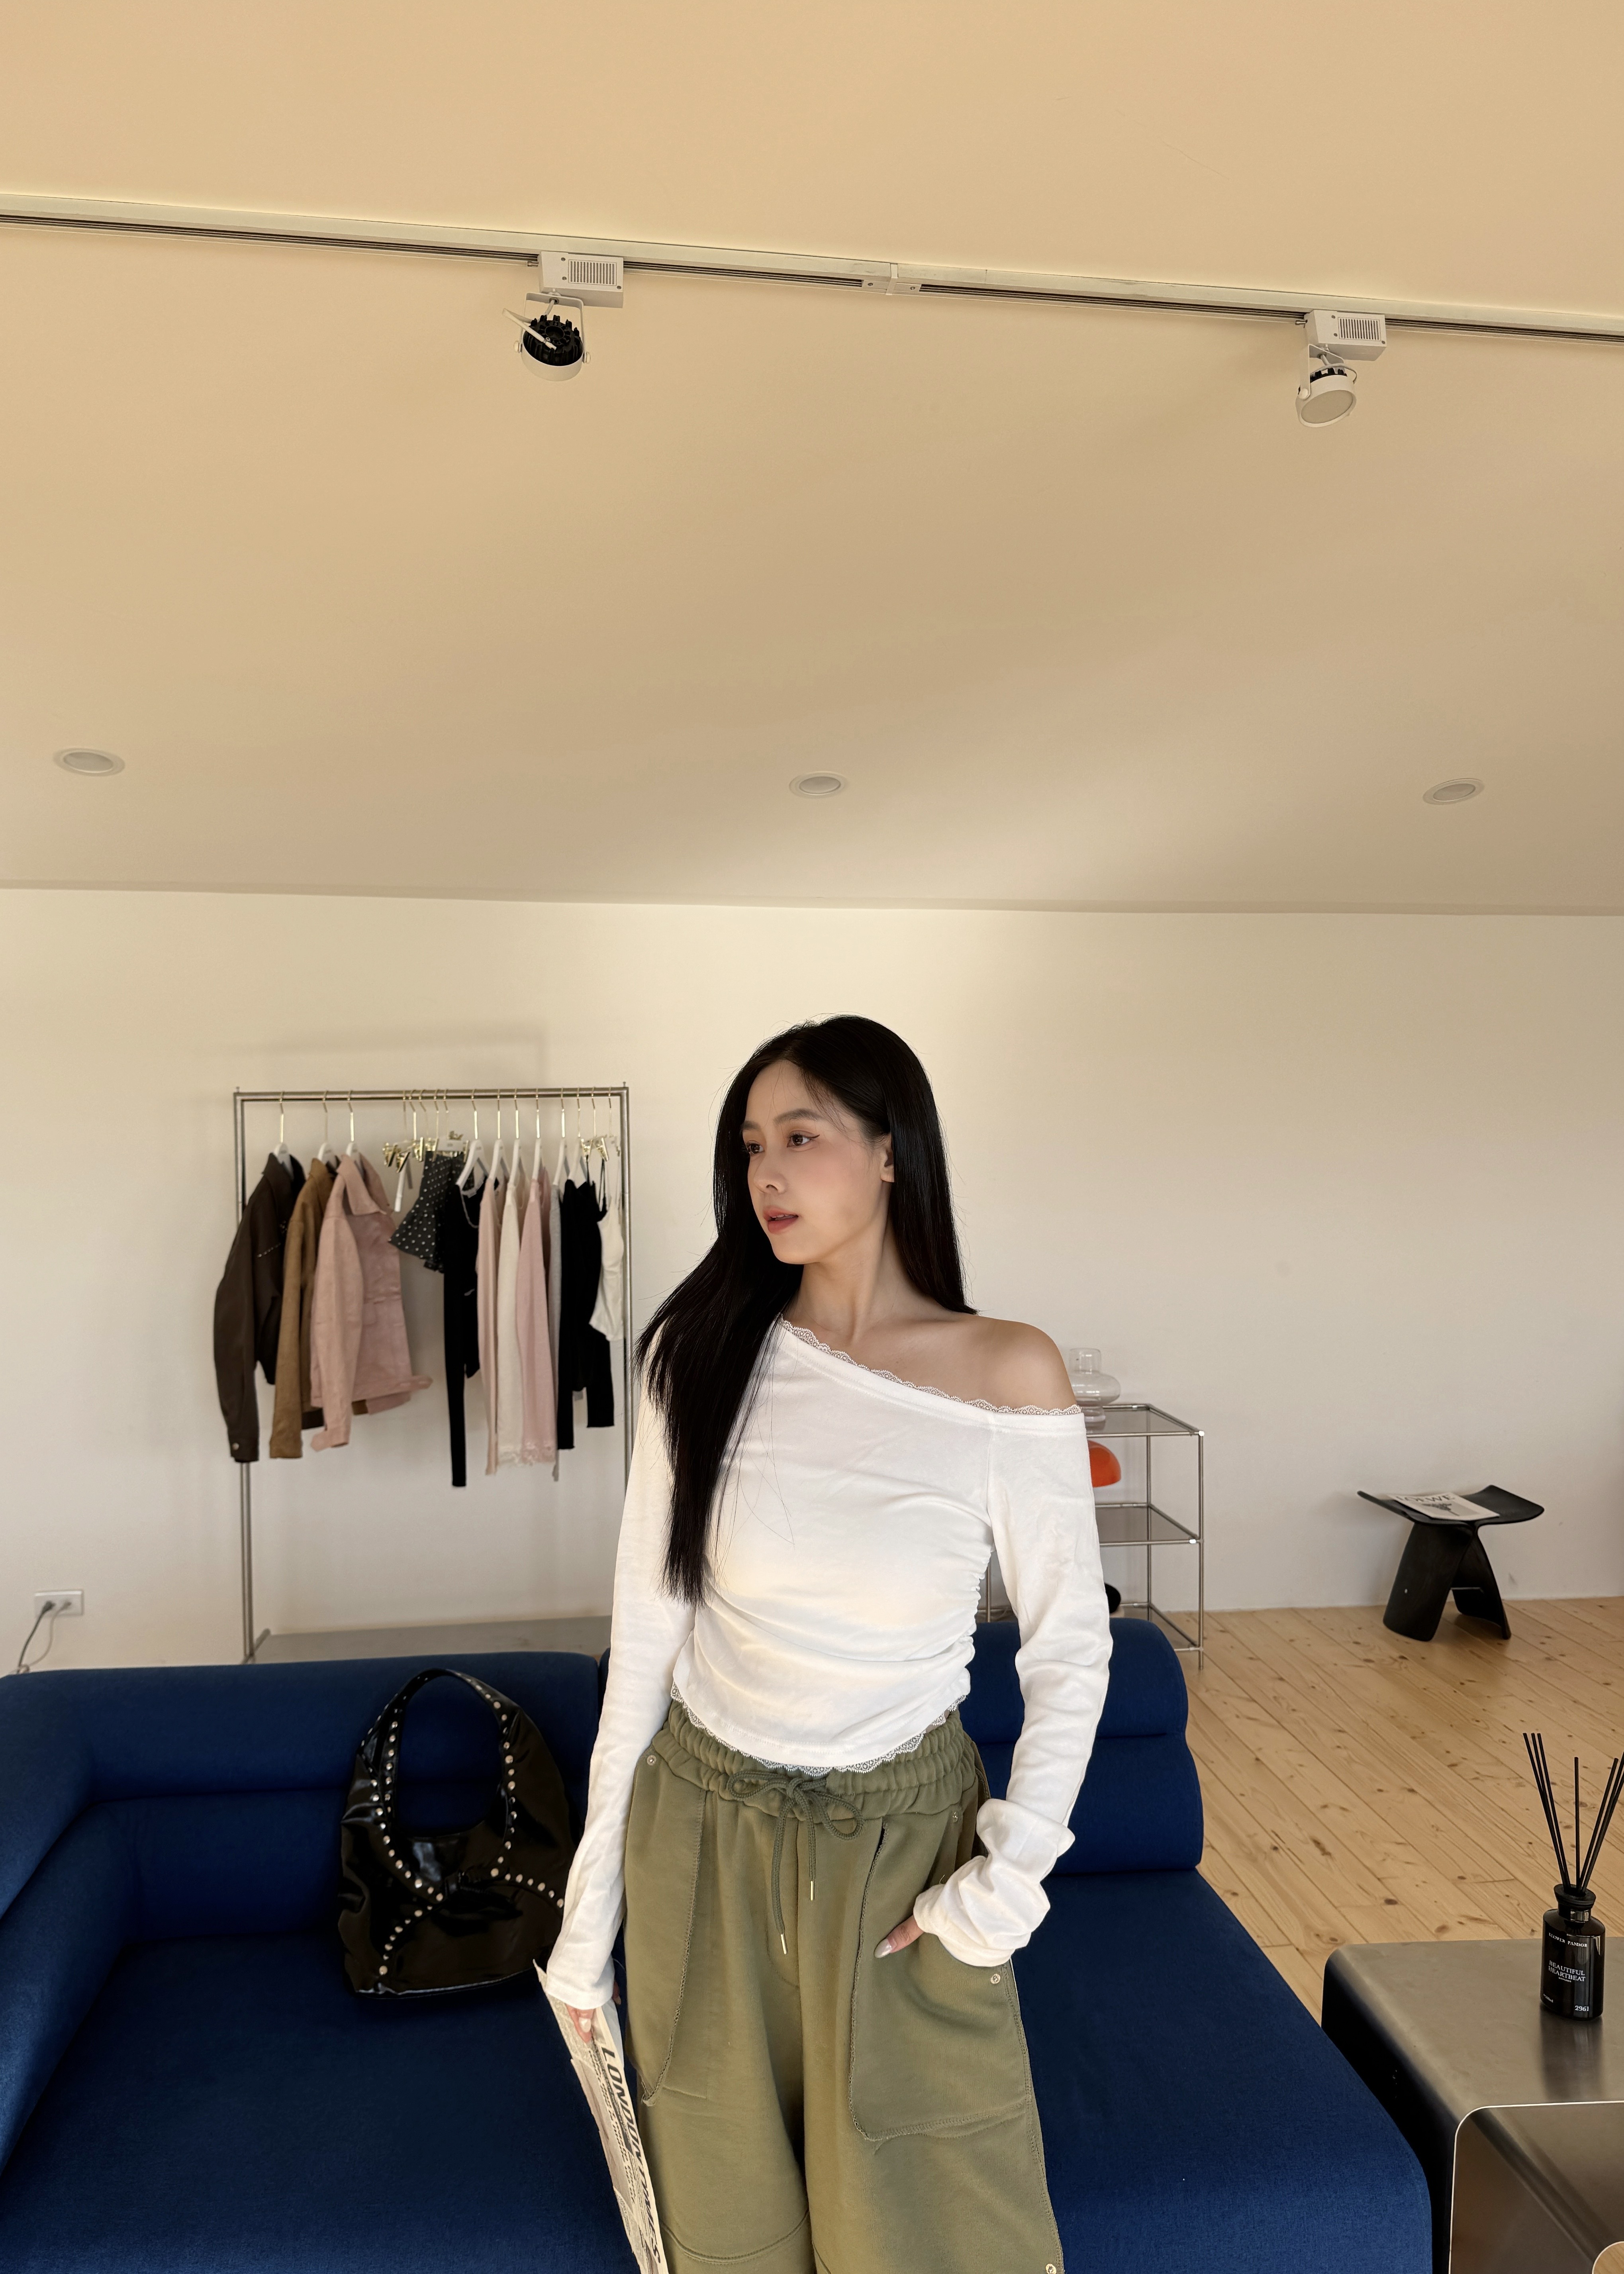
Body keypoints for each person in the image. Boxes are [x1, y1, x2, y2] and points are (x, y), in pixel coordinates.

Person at [546, 1015, 1112, 2274]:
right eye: (752, 1144)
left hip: (902, 1855)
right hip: (701, 1835)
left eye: (801, 1136)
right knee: (730, 2234)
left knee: (942, 2238)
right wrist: (588, 1925)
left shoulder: (1005, 1374)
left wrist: (1008, 1885)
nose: (767, 1172)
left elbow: (1072, 1651)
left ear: (892, 1148)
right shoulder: (697, 1354)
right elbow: (644, 1647)